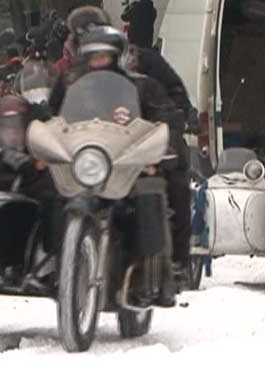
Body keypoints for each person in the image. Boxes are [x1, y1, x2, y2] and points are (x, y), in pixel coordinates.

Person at [48, 24, 179, 306]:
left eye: (104, 56)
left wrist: (164, 136)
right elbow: (53, 115)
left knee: (149, 192)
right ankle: (46, 262)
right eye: (92, 57)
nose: (98, 63)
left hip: (126, 167)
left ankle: (152, 276)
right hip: (83, 163)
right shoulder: (71, 85)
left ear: (117, 56)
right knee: (45, 186)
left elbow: (164, 118)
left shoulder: (142, 86)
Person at [125, 42, 199, 287]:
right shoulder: (85, 76)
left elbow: (176, 99)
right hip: (108, 144)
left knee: (176, 182)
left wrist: (170, 128)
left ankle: (179, 260)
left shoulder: (151, 68)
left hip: (155, 132)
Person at [0, 95, 59, 290]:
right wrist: (2, 160)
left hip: (28, 229)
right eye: (6, 128)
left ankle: (43, 269)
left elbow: (48, 190)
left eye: (17, 128)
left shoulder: (39, 155)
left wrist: (29, 168)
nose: (12, 134)